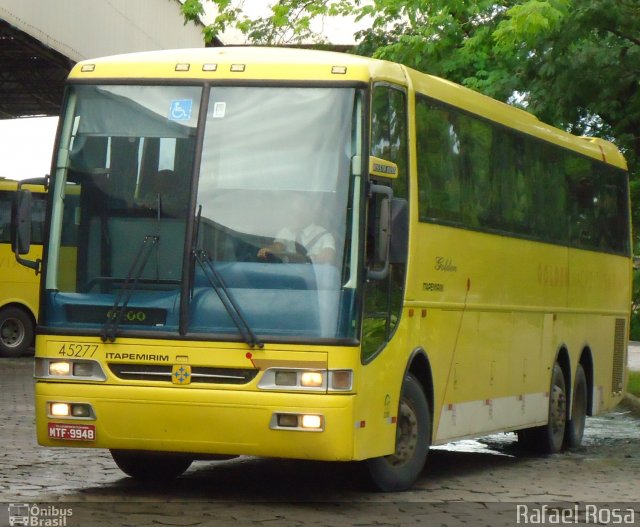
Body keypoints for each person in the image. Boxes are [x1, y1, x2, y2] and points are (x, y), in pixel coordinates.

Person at [257, 193, 336, 265]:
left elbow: (328, 255)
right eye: (292, 212)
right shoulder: (286, 231)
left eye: (298, 212)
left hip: (314, 277)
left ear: (309, 213)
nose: (293, 216)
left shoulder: (324, 235)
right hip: (290, 276)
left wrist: (308, 258)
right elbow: (278, 246)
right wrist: (269, 250)